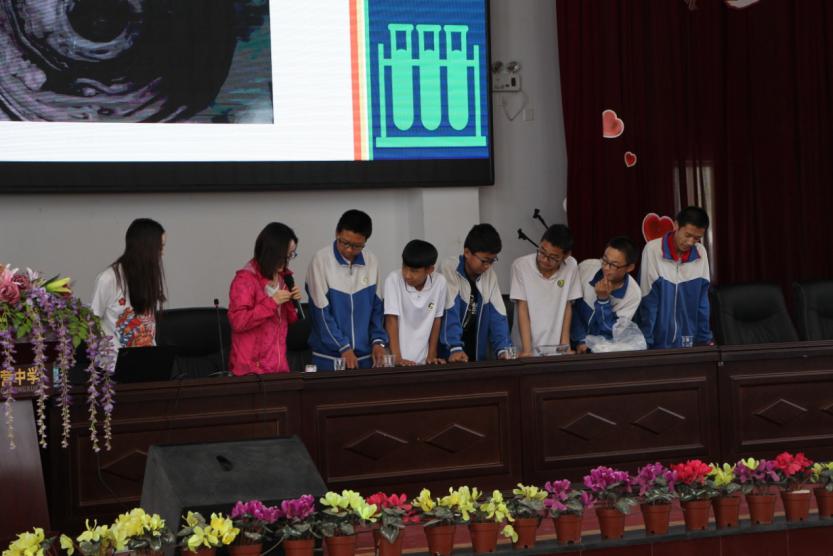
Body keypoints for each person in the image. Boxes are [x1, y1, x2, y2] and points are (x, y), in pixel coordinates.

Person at [306, 209, 387, 370]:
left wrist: (378, 341)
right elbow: (321, 314)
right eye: (345, 243)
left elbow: (377, 308)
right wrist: (343, 347)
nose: (349, 250)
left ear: (365, 241)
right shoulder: (320, 261)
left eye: (357, 246)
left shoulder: (372, 261)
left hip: (365, 359)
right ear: (337, 233)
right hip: (329, 359)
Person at [228, 222, 301, 375]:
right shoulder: (245, 280)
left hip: (279, 369)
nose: (287, 261)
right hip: (252, 372)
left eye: (291, 255)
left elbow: (289, 320)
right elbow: (238, 321)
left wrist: (292, 301)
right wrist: (272, 302)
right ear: (271, 252)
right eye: (285, 255)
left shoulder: (284, 278)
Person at [638, 206, 714, 348]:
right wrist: (646, 342)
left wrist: (704, 339)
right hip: (658, 342)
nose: (691, 242)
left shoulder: (701, 253)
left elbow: (702, 302)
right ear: (676, 225)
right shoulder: (653, 250)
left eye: (697, 238)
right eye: (688, 235)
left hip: (688, 341)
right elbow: (648, 300)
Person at [91, 218, 166, 350]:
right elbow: (93, 322)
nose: (162, 253)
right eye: (160, 247)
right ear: (146, 248)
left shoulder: (147, 276)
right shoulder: (108, 279)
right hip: (116, 360)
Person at [440, 223, 511, 362]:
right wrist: (454, 347)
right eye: (484, 261)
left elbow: (498, 315)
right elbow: (450, 309)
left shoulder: (490, 275)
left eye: (492, 261)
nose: (487, 266)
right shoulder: (449, 268)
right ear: (467, 253)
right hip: (448, 352)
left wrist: (503, 349)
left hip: (476, 352)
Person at [510, 224, 581, 356]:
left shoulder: (571, 266)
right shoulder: (521, 266)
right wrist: (527, 350)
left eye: (553, 257)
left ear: (566, 256)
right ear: (540, 243)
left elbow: (567, 307)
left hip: (555, 348)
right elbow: (522, 307)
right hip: (525, 346)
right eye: (542, 252)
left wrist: (565, 346)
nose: (544, 259)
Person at [571, 236, 642, 353]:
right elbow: (571, 308)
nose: (606, 268)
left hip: (601, 352)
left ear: (630, 267)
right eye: (604, 260)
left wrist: (603, 300)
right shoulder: (586, 267)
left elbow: (612, 331)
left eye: (614, 265)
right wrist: (581, 340)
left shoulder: (633, 294)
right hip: (570, 343)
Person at [383, 239, 448, 366]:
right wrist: (397, 358)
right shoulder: (393, 279)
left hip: (423, 360)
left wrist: (431, 356)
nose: (407, 275)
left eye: (414, 271)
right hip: (397, 360)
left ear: (430, 270)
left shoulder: (440, 282)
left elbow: (436, 319)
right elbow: (391, 320)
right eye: (404, 267)